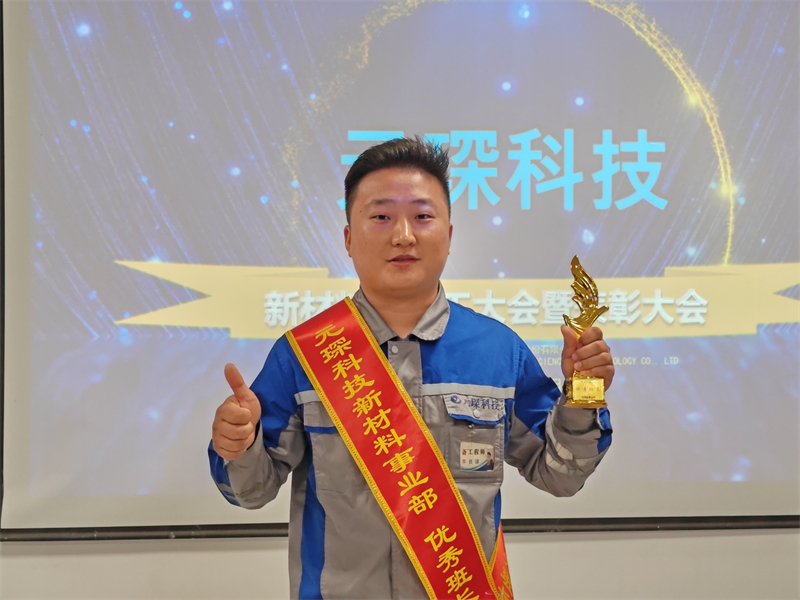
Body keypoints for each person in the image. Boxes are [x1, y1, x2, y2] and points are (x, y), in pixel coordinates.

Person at [209, 137, 614, 599]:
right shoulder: (303, 355)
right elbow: (250, 491)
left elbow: (559, 475)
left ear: (449, 235)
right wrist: (238, 446)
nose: (403, 235)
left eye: (422, 216)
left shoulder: (499, 351)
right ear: (348, 238)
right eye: (381, 217)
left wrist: (583, 393)